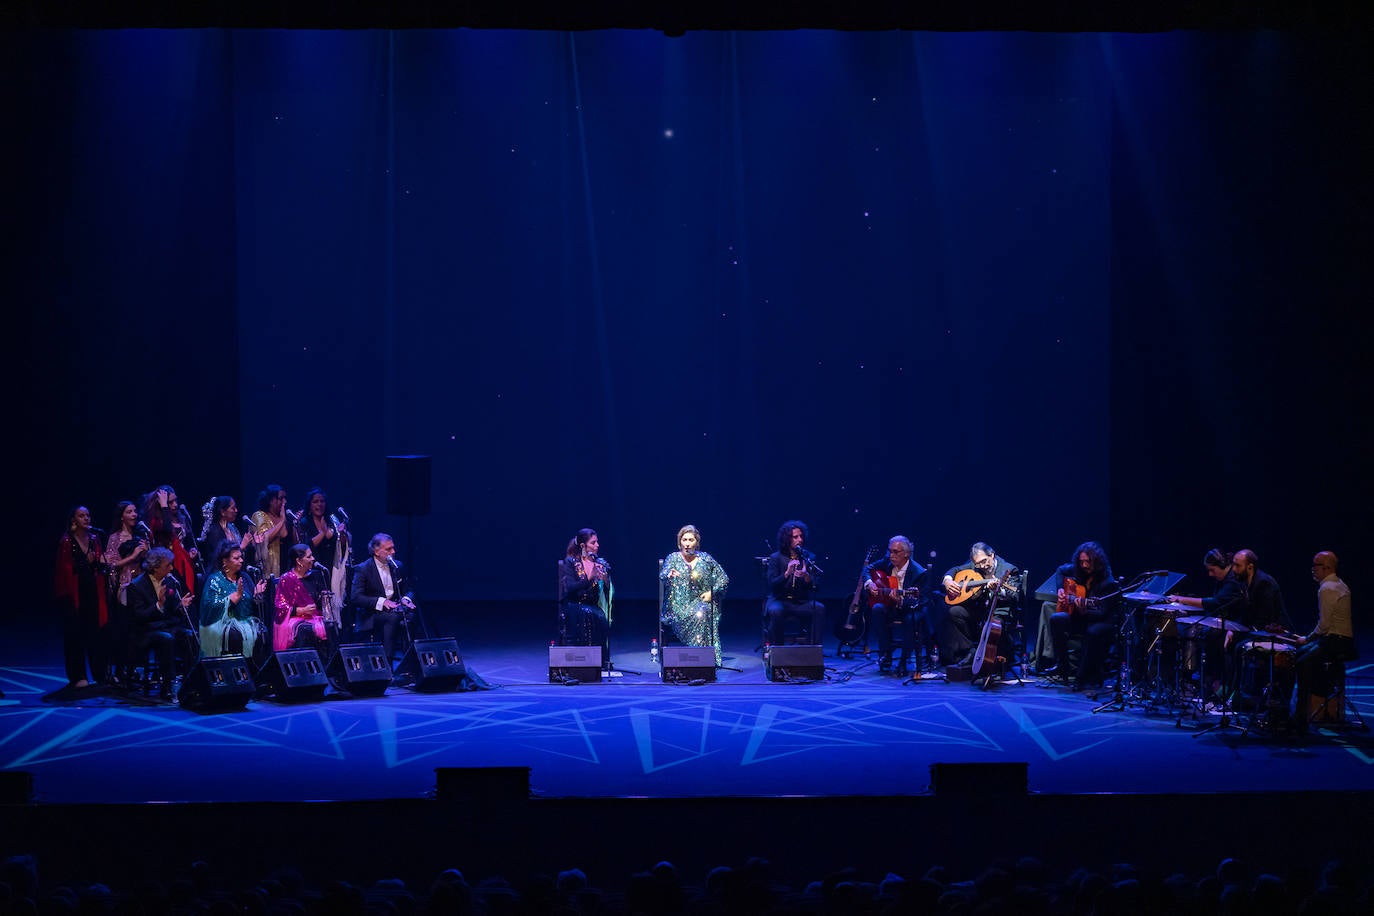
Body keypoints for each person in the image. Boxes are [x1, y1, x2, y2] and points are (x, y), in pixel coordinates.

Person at [1289, 551, 1355, 732]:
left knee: (1301, 661)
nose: (1312, 569)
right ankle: (1302, 711)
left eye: (1315, 565)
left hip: (1337, 641)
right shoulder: (1338, 584)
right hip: (1340, 639)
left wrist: (1306, 639)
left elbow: (1324, 626)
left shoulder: (1327, 588)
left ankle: (1300, 718)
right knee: (1301, 655)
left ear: (1327, 567)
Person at [1041, 542, 1119, 688]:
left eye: (1087, 562)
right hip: (1081, 616)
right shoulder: (1078, 570)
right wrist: (1060, 591)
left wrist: (1084, 611)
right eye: (1081, 561)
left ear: (1096, 561)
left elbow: (1102, 612)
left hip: (1100, 620)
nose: (1083, 565)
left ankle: (1081, 678)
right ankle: (1062, 665)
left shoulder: (1107, 581)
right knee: (1056, 619)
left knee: (1092, 632)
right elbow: (1060, 570)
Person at [125, 547, 198, 698]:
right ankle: (168, 684)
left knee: (190, 635)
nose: (171, 568)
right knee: (166, 639)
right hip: (146, 630)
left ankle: (190, 681)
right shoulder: (136, 586)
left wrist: (180, 605)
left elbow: (171, 610)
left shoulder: (169, 582)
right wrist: (158, 605)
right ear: (156, 567)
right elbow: (139, 616)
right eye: (168, 565)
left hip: (166, 626)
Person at [936, 542, 1020, 670]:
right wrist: (947, 580)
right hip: (979, 609)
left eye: (984, 561)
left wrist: (998, 590)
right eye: (977, 564)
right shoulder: (975, 566)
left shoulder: (1009, 569)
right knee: (954, 612)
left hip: (999, 611)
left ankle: (990, 660)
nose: (982, 566)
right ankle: (969, 651)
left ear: (992, 555)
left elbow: (1015, 596)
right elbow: (955, 569)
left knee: (992, 624)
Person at [52, 506, 110, 689]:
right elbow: (65, 572)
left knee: (96, 636)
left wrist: (101, 565)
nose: (86, 518)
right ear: (73, 520)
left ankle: (100, 674)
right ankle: (78, 676)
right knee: (75, 636)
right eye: (81, 515)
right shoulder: (67, 541)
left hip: (93, 593)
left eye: (88, 515)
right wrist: (88, 563)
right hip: (73, 595)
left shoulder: (94, 539)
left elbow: (99, 566)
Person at [659, 525, 729, 665]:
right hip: (677, 607)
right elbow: (663, 574)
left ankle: (702, 659)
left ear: (697, 542)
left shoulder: (706, 559)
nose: (687, 543)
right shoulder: (673, 558)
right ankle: (700, 657)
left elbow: (723, 579)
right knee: (702, 613)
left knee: (703, 612)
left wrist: (711, 592)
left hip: (701, 603)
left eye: (691, 539)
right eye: (684, 539)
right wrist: (669, 575)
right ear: (679, 542)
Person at [348, 533, 418, 671]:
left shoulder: (397, 566)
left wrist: (405, 599)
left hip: (395, 610)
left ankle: (412, 665)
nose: (393, 552)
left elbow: (409, 589)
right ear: (376, 551)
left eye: (393, 548)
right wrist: (382, 602)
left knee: (411, 616)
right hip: (372, 614)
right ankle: (387, 665)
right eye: (388, 549)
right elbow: (355, 597)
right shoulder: (363, 569)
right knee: (392, 618)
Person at [862, 536, 926, 675]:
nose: (891, 555)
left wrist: (901, 601)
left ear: (906, 554)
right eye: (890, 551)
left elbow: (921, 601)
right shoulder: (887, 561)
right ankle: (885, 654)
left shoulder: (918, 572)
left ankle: (904, 660)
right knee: (877, 609)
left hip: (910, 608)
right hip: (891, 606)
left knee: (910, 620)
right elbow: (867, 569)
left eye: (895, 552)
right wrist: (869, 583)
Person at [199, 541, 268, 660]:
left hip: (245, 621)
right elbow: (209, 610)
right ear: (225, 561)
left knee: (262, 631)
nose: (241, 560)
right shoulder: (215, 580)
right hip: (221, 624)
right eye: (236, 558)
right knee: (236, 634)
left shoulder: (245, 577)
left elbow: (252, 607)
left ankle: (255, 672)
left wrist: (257, 596)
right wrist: (231, 600)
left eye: (241, 557)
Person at [295, 488, 350, 631]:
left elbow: (341, 545)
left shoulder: (331, 521)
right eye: (315, 502)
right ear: (310, 505)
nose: (319, 504)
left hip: (332, 569)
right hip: (313, 570)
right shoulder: (305, 523)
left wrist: (342, 534)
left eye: (322, 501)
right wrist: (322, 533)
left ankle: (335, 634)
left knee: (334, 606)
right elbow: (306, 546)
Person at [764, 520, 825, 647]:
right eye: (795, 537)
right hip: (780, 600)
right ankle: (778, 652)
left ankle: (813, 650)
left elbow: (816, 586)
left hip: (801, 602)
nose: (800, 540)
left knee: (819, 608)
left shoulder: (809, 557)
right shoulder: (776, 557)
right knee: (776, 612)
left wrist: (807, 577)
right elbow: (772, 584)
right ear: (787, 539)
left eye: (801, 536)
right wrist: (786, 574)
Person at [558, 529, 613, 654]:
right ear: (583, 546)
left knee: (600, 616)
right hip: (575, 604)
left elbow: (606, 591)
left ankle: (601, 660)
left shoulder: (598, 563)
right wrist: (590, 577)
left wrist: (605, 580)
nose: (597, 545)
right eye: (593, 543)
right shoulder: (572, 562)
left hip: (592, 605)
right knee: (589, 614)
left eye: (597, 542)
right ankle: (586, 658)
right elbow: (571, 588)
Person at [273, 544, 329, 653]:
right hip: (294, 618)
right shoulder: (287, 580)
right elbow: (280, 608)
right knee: (305, 629)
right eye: (309, 557)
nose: (313, 559)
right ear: (299, 561)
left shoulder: (316, 576)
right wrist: (301, 611)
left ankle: (329, 666)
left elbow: (321, 604)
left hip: (315, 616)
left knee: (331, 626)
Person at [103, 500, 149, 608]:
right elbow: (112, 564)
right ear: (122, 517)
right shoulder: (115, 537)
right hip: (125, 582)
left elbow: (147, 561)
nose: (134, 514)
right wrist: (132, 556)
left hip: (141, 580)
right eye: (129, 512)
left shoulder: (140, 535)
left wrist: (146, 552)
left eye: (135, 511)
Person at [199, 496, 254, 569]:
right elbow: (220, 557)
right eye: (233, 508)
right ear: (223, 512)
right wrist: (242, 547)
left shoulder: (232, 528)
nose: (236, 510)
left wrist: (252, 543)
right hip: (220, 573)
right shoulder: (214, 531)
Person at [248, 485, 290, 579]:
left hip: (282, 567)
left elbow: (284, 534)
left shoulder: (280, 517)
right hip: (266, 570)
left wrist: (282, 519)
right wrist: (282, 520)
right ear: (271, 500)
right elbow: (264, 538)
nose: (284, 502)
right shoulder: (259, 516)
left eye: (285, 498)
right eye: (281, 498)